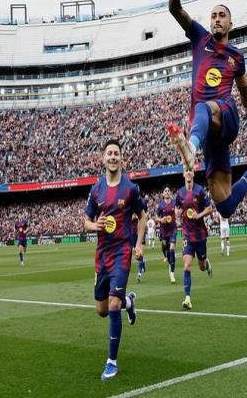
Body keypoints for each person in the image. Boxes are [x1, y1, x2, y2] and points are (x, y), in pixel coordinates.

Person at [166, 0, 247, 222]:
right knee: (225, 206)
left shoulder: (236, 57)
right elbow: (174, 9)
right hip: (209, 133)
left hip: (227, 116)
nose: (217, 19)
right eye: (214, 16)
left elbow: (246, 97)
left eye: (222, 16)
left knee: (204, 107)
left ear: (231, 23)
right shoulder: (200, 38)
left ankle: (191, 149)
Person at [84, 139, 146, 381]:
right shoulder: (96, 189)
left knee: (112, 305)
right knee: (101, 310)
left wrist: (138, 244)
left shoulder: (130, 189)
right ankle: (128, 303)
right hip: (102, 254)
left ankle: (112, 361)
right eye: (109, 153)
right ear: (103, 158)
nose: (112, 157)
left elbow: (142, 216)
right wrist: (94, 226)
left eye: (116, 153)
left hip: (122, 252)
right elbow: (86, 221)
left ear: (121, 159)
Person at [176, 169, 213, 309]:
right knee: (187, 265)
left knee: (201, 267)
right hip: (187, 234)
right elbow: (177, 207)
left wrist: (200, 215)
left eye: (190, 170)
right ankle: (187, 298)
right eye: (186, 170)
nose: (188, 173)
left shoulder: (200, 190)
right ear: (183, 174)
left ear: (193, 174)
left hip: (200, 235)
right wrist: (177, 213)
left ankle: (206, 264)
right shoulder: (180, 193)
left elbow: (210, 208)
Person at [155, 187, 177, 283]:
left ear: (170, 193)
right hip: (164, 231)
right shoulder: (160, 205)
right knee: (165, 248)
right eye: (165, 191)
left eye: (168, 191)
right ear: (163, 194)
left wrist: (178, 213)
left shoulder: (174, 203)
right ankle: (168, 258)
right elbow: (156, 217)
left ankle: (172, 274)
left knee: (171, 249)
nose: (167, 192)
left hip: (173, 230)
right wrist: (160, 219)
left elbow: (178, 210)